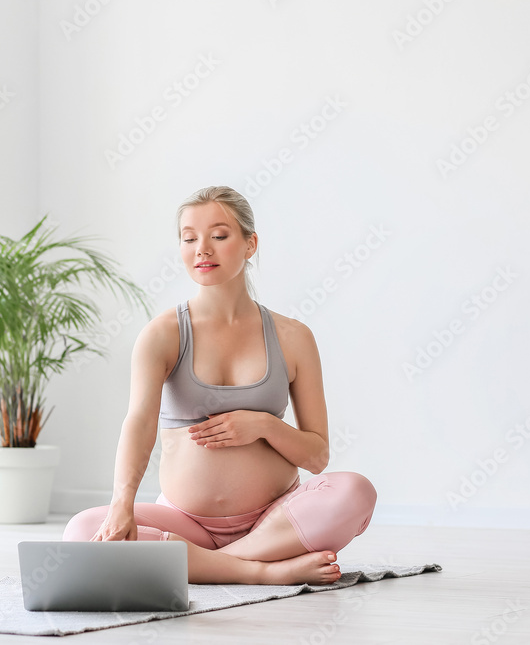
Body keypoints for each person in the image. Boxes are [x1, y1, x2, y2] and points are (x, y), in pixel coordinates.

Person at [63, 186, 377, 585]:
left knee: (356, 492)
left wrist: (263, 425)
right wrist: (121, 503)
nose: (202, 249)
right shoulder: (162, 335)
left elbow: (317, 457)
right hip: (185, 521)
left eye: (219, 235)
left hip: (279, 519)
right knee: (80, 531)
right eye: (189, 238)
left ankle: (207, 565)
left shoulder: (293, 337)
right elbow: (138, 424)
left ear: (250, 244)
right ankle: (263, 572)